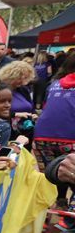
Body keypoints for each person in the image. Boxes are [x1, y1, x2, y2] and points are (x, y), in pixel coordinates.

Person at [33, 53, 75, 209]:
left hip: (42, 137)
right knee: (71, 173)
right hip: (71, 138)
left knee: (50, 175)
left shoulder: (54, 84)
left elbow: (48, 107)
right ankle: (69, 216)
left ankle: (42, 215)